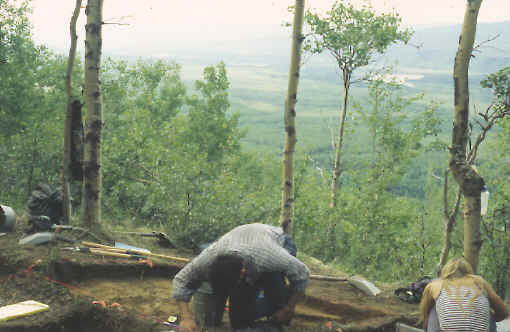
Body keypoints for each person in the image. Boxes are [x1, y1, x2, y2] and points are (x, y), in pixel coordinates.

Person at [172, 223, 310, 332]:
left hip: (276, 241)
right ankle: (262, 313)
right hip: (241, 244)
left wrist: (289, 308)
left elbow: (302, 273)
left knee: (275, 290)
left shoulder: (271, 257)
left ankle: (276, 314)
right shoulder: (209, 258)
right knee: (239, 323)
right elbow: (180, 280)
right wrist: (186, 318)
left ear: (243, 272)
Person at [419, 257, 508, 332]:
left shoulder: (436, 284)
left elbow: (425, 316)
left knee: (432, 309)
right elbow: (503, 312)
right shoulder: (479, 282)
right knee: (487, 311)